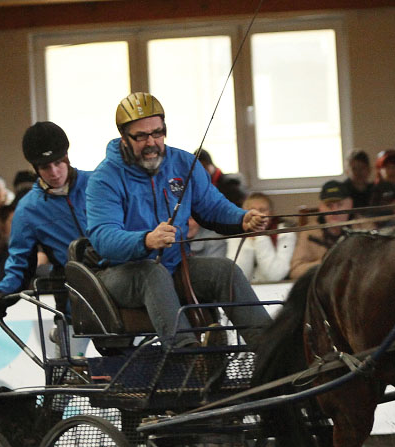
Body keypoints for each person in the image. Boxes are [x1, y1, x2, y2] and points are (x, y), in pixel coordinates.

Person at [86, 92, 270, 346]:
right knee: (152, 273)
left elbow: (212, 207)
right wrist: (146, 240)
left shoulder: (183, 163)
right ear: (124, 138)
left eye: (158, 133)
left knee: (224, 271)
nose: (151, 142)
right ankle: (190, 356)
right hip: (121, 273)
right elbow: (103, 238)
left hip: (174, 266)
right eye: (141, 136)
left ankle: (271, 349)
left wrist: (242, 218)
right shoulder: (104, 178)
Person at [0, 121, 92, 319]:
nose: (54, 172)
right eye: (45, 167)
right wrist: (0, 293)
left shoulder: (98, 184)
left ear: (67, 158)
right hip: (73, 296)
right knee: (70, 349)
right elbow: (21, 263)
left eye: (58, 163)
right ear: (35, 168)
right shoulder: (28, 209)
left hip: (115, 282)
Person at [225, 193, 295, 283]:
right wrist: (248, 243)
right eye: (252, 210)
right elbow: (236, 278)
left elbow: (275, 276)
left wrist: (260, 237)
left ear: (272, 213)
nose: (257, 215)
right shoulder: (235, 234)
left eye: (263, 210)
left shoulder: (285, 233)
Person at [289, 180, 353, 280]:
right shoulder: (308, 232)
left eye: (340, 205)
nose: (335, 211)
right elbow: (295, 271)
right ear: (321, 207)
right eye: (329, 206)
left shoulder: (365, 227)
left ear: (350, 204)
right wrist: (324, 263)